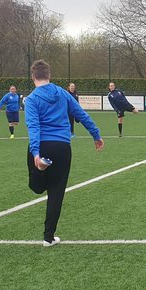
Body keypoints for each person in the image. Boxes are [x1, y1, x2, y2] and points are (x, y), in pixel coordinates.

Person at [24, 60, 103, 246]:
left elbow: (33, 126)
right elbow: (81, 114)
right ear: (49, 75)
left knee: (36, 187)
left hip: (42, 146)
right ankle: (48, 237)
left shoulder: (32, 99)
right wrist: (96, 134)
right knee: (56, 193)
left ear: (33, 76)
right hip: (62, 146)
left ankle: (40, 169)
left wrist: (35, 152)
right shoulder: (63, 93)